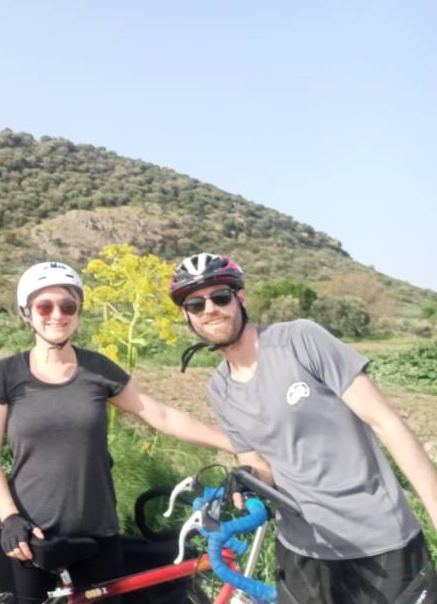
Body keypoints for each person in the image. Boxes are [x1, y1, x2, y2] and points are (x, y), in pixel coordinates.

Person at [169, 252, 437, 604]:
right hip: (302, 550)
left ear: (240, 298)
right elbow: (259, 463)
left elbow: (387, 423)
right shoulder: (220, 388)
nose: (210, 309)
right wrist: (248, 476)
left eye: (220, 297)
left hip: (379, 540)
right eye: (195, 304)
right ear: (187, 315)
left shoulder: (300, 340)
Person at [0, 261, 234, 604]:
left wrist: (234, 444)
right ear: (28, 312)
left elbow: (161, 415)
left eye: (68, 306)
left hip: (97, 537)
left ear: (78, 311)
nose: (57, 314)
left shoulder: (97, 369)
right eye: (45, 306)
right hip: (29, 538)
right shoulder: (7, 374)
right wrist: (9, 516)